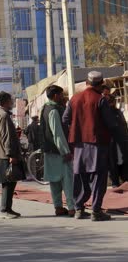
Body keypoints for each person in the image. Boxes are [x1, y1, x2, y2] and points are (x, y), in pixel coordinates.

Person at [63, 71, 122, 222]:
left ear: (87, 83)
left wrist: (78, 128)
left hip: (79, 144)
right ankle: (96, 210)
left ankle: (79, 208)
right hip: (97, 143)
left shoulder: (74, 98)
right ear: (100, 84)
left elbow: (65, 118)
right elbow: (111, 124)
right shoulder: (100, 100)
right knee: (98, 177)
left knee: (80, 176)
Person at [40, 86, 75, 217]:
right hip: (59, 152)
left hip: (49, 151)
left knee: (54, 181)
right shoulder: (54, 111)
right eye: (61, 94)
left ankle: (58, 207)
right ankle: (72, 207)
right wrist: (65, 151)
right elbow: (58, 134)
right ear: (55, 96)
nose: (63, 97)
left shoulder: (44, 108)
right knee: (67, 181)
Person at [0, 91, 22, 219]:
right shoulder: (3, 115)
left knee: (8, 183)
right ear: (5, 102)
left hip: (1, 153)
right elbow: (6, 137)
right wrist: (11, 154)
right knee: (8, 183)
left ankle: (8, 208)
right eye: (10, 100)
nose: (12, 103)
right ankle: (5, 210)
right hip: (6, 155)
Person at [106, 94, 128, 187]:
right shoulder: (108, 113)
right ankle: (117, 181)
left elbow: (123, 126)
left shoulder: (117, 112)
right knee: (114, 162)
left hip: (119, 142)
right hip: (113, 142)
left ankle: (119, 181)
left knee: (119, 161)